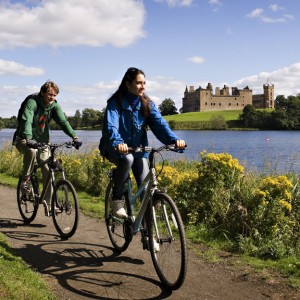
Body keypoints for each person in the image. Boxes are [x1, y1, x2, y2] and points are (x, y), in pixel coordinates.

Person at [99, 67, 185, 219]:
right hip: (114, 147)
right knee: (127, 158)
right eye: (138, 83)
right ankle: (117, 200)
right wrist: (118, 142)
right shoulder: (115, 103)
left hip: (138, 150)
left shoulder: (147, 104)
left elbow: (160, 124)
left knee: (146, 192)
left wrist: (174, 140)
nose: (143, 86)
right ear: (127, 83)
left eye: (144, 83)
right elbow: (111, 126)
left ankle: (148, 237)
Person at [13, 81, 81, 216]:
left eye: (55, 95)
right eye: (50, 94)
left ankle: (49, 205)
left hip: (43, 141)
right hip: (23, 139)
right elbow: (27, 120)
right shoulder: (32, 102)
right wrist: (28, 138)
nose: (52, 97)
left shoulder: (54, 106)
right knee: (31, 151)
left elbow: (63, 122)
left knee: (47, 169)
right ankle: (25, 181)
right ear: (43, 93)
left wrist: (75, 137)